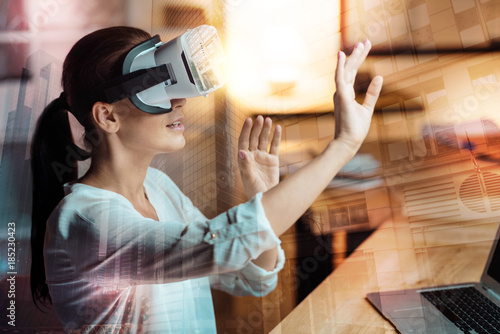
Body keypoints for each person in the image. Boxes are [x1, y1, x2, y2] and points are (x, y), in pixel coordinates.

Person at [30, 25, 382, 333]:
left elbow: (247, 277)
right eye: (156, 88)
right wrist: (343, 146)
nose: (180, 100)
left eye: (175, 86)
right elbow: (221, 244)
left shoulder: (158, 187)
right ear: (106, 117)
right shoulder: (84, 220)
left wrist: (262, 196)